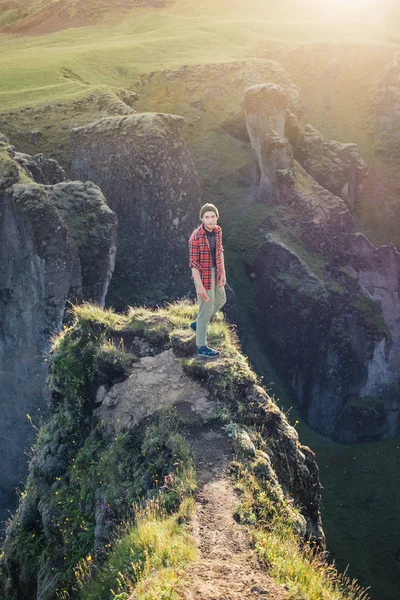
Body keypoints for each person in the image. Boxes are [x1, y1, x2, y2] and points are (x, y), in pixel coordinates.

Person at [189, 203, 226, 359]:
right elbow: (193, 265)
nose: (210, 220)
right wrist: (200, 287)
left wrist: (223, 272)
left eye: (212, 217)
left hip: (216, 271)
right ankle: (201, 347)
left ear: (216, 217)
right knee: (206, 307)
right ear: (202, 218)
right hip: (203, 274)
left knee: (221, 300)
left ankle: (198, 325)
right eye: (207, 217)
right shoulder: (196, 237)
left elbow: (220, 251)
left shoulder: (217, 231)